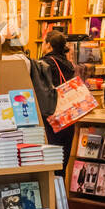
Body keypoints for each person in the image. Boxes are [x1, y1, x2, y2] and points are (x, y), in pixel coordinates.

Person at [37, 30, 78, 159]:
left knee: (50, 158)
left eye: (43, 42)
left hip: (52, 117)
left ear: (49, 45)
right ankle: (62, 179)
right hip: (68, 116)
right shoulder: (69, 64)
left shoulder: (45, 64)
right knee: (63, 158)